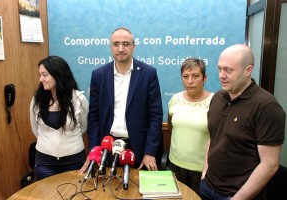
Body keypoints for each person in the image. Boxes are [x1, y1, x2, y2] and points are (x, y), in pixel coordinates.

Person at [200, 44, 286, 200]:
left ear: (248, 70)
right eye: (219, 69)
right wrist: (205, 172)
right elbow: (213, 137)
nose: (221, 75)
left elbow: (270, 164)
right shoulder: (218, 97)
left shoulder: (267, 107)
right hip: (208, 187)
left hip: (238, 195)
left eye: (228, 70)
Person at [79, 27, 163, 172]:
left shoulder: (148, 74)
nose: (121, 48)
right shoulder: (99, 75)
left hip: (138, 149)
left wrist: (150, 152)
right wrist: (94, 149)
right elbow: (93, 117)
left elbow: (155, 116)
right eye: (116, 44)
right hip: (107, 147)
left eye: (126, 44)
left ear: (133, 46)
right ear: (111, 47)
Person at [30, 55, 89, 180]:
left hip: (74, 161)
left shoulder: (79, 98)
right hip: (45, 161)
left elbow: (84, 127)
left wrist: (67, 138)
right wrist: (49, 140)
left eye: (45, 75)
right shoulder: (37, 100)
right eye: (40, 75)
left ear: (58, 75)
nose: (41, 79)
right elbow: (35, 129)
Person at [168, 58, 213, 195]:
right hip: (175, 165)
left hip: (203, 170)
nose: (190, 81)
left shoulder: (215, 102)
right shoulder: (175, 99)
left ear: (204, 78)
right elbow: (171, 127)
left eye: (195, 76)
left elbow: (217, 137)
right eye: (185, 77)